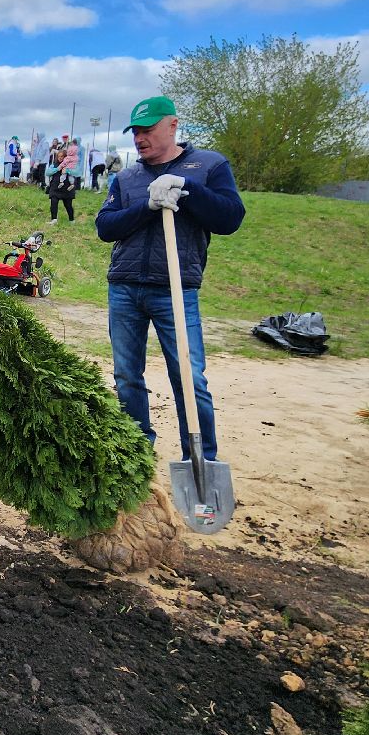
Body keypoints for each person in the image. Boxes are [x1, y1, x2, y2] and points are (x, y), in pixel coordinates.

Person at [95, 96, 245, 462]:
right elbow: (105, 227)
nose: (140, 139)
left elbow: (229, 219)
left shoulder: (208, 165)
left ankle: (201, 458)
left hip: (176, 290)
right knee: (127, 375)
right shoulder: (127, 177)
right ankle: (136, 449)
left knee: (190, 378)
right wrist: (146, 206)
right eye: (136, 132)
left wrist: (187, 191)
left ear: (172, 125)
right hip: (125, 287)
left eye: (148, 130)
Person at [45, 144, 79, 224]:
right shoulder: (54, 164)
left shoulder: (71, 165)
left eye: (62, 156)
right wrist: (57, 169)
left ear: (65, 157)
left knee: (68, 205)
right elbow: (47, 172)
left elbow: (77, 172)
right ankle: (54, 219)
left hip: (67, 189)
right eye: (59, 156)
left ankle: (71, 220)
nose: (60, 158)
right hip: (55, 187)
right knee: (53, 202)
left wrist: (67, 171)